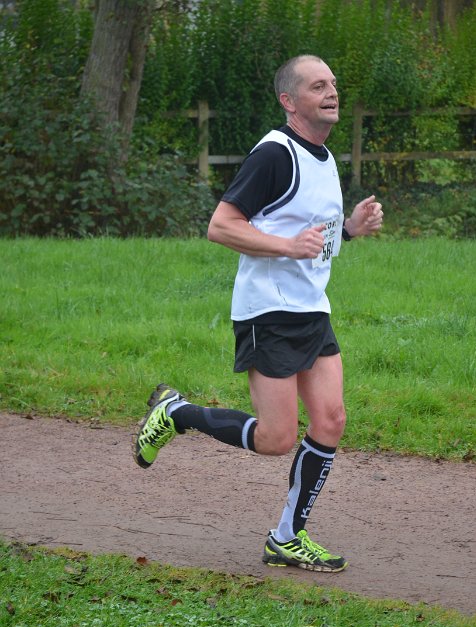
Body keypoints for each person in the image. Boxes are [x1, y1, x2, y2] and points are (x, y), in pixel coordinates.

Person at [133, 55, 383, 573]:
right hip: (267, 312)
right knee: (276, 438)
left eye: (333, 84)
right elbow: (221, 225)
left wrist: (350, 229)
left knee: (331, 420)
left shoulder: (324, 158)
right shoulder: (274, 154)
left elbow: (313, 240)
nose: (331, 92)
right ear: (289, 101)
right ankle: (176, 413)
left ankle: (287, 537)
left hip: (311, 309)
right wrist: (286, 247)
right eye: (318, 86)